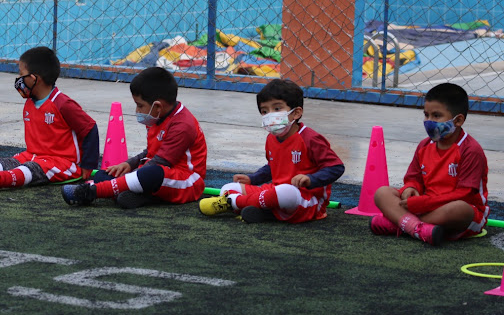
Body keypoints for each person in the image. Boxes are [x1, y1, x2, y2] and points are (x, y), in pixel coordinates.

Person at [0, 46, 99, 192]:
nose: (18, 79)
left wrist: (88, 164)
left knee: (28, 169)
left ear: (33, 79)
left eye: (20, 74)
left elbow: (90, 128)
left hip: (62, 162)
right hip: (33, 155)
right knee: (8, 162)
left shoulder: (63, 104)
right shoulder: (30, 103)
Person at [198, 79, 344, 223]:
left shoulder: (311, 138)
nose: (270, 115)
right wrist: (253, 179)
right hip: (276, 192)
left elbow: (336, 167)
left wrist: (311, 179)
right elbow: (272, 167)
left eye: (277, 109)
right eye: (264, 111)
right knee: (228, 187)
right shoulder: (271, 138)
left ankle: (235, 203)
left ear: (296, 113)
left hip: (308, 200)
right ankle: (258, 210)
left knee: (286, 192)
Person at [61, 66, 207, 209]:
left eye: (139, 105)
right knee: (103, 174)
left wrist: (131, 175)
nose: (137, 111)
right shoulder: (157, 116)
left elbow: (162, 162)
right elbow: (150, 152)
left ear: (157, 106)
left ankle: (92, 192)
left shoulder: (183, 125)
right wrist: (129, 164)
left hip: (187, 181)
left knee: (151, 173)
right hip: (155, 173)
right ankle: (141, 196)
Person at [371, 83, 488, 246]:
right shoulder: (424, 146)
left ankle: (399, 223)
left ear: (458, 120)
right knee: (382, 193)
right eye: (426, 115)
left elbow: (465, 194)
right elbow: (413, 178)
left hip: (455, 212)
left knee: (460, 209)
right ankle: (417, 228)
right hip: (424, 205)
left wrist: (423, 204)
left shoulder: (471, 150)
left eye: (436, 116)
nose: (429, 121)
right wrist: (410, 189)